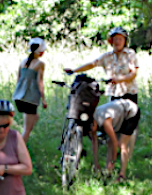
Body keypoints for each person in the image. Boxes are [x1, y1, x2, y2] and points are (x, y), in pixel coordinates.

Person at [64, 27, 139, 156]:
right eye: (115, 39)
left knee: (128, 126)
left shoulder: (130, 54)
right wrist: (75, 70)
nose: (117, 42)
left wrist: (120, 79)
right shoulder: (107, 56)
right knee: (113, 125)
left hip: (129, 93)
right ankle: (113, 153)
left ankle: (126, 153)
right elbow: (92, 64)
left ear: (125, 41)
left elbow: (133, 73)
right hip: (114, 94)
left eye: (120, 39)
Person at [90, 99, 140, 181]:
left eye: (92, 129)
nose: (92, 131)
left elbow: (115, 142)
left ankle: (122, 175)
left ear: (94, 123)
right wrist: (96, 164)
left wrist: (112, 162)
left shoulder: (105, 121)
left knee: (122, 144)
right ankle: (108, 171)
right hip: (118, 114)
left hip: (131, 111)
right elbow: (94, 143)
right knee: (109, 142)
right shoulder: (92, 122)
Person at [13, 37, 47, 143]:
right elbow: (39, 82)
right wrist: (44, 99)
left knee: (34, 118)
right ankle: (17, 151)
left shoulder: (23, 62)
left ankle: (20, 145)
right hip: (30, 98)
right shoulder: (40, 64)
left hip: (19, 97)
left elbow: (18, 79)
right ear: (41, 52)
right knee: (27, 130)